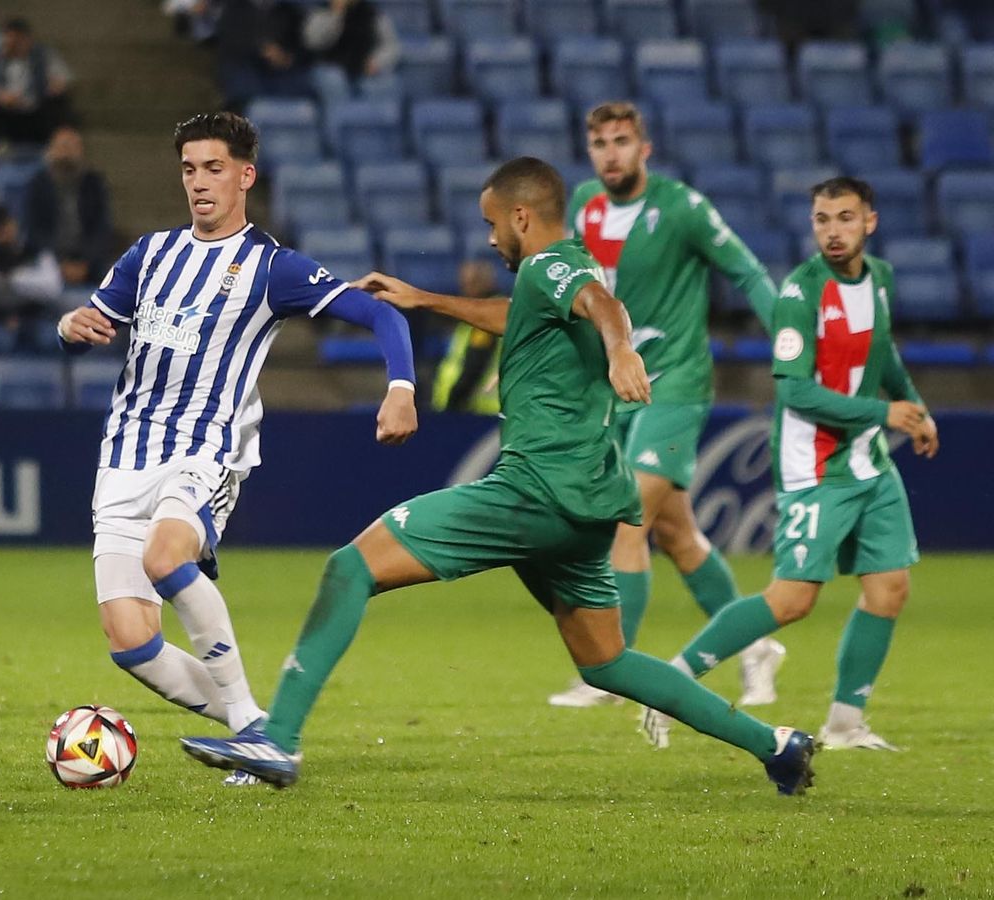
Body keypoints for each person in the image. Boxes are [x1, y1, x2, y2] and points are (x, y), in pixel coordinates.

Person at [180, 157, 818, 796]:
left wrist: (622, 348)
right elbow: (518, 318)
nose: (489, 239)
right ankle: (776, 746)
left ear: (521, 216)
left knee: (351, 567)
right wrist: (426, 298)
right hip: (587, 504)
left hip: (534, 490)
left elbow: (605, 305)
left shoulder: (554, 266)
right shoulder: (548, 283)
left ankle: (277, 737)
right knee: (607, 662)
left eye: (492, 224)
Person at [57, 111, 419, 786]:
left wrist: (400, 385)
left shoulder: (271, 267)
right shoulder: (149, 254)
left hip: (205, 448)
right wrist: (68, 323)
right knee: (130, 643)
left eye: (215, 168)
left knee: (167, 556)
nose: (200, 183)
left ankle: (257, 731)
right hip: (125, 457)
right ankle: (256, 731)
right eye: (190, 169)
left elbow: (380, 313)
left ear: (245, 175)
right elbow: (90, 319)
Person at [642, 177, 938, 753]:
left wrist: (915, 407)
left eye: (845, 218)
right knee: (791, 600)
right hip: (816, 466)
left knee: (889, 588)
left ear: (870, 222)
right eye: (822, 220)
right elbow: (796, 393)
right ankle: (671, 683)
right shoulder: (800, 296)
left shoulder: (880, 279)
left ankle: (846, 723)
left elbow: (883, 352)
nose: (833, 231)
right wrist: (887, 411)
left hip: (868, 463)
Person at [548, 101, 787, 709]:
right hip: (617, 388)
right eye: (599, 141)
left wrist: (789, 349)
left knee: (629, 520)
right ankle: (755, 647)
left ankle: (611, 670)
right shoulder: (583, 207)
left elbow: (750, 273)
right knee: (679, 535)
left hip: (675, 384)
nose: (610, 152)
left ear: (644, 148)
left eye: (621, 140)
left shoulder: (681, 208)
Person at [23, 125, 115, 286]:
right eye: (62, 147)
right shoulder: (38, 183)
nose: (66, 154)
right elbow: (33, 229)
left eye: (71, 147)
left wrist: (85, 263)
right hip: (50, 259)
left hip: (88, 262)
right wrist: (60, 263)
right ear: (51, 150)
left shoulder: (94, 183)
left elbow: (102, 228)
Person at [0, 17, 74, 151]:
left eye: (18, 39)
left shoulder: (44, 55)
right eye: (9, 39)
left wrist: (57, 85)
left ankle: (55, 144)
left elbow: (61, 76)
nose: (13, 44)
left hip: (34, 111)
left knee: (57, 103)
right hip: (5, 112)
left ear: (27, 40)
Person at [429, 259, 500, 415]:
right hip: (475, 408)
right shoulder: (476, 313)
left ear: (487, 282)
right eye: (465, 283)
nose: (466, 288)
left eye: (473, 282)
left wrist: (454, 402)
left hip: (477, 409)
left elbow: (475, 363)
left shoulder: (487, 315)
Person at [213, 0, 311, 109]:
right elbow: (231, 41)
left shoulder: (288, 11)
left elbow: (302, 48)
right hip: (247, 79)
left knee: (306, 109)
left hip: (285, 80)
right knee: (258, 108)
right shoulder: (234, 8)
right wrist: (263, 50)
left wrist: (288, 58)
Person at [301, 0, 401, 84]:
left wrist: (376, 61)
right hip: (329, 72)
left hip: (361, 73)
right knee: (332, 78)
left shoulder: (373, 15)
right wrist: (335, 15)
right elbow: (311, 42)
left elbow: (391, 46)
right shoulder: (320, 13)